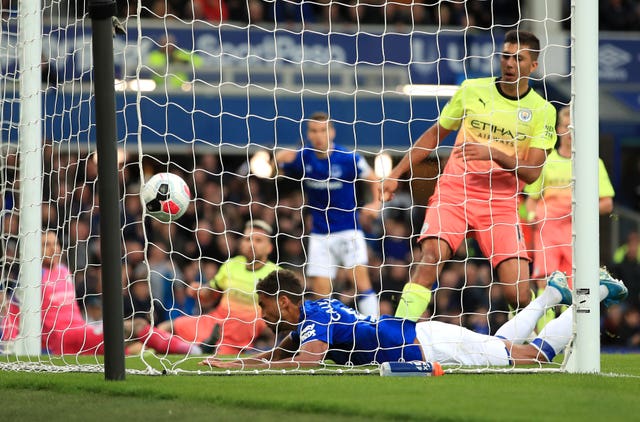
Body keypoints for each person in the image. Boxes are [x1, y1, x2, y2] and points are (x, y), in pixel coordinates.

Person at [381, 30, 557, 321]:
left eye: (518, 58)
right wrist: (397, 173)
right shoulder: (472, 90)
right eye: (505, 56)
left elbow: (532, 171)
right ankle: (396, 335)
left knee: (518, 293)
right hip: (455, 192)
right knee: (431, 256)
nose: (509, 63)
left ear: (533, 66)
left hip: (499, 203)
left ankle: (541, 338)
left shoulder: (542, 111)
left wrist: (495, 153)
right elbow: (435, 134)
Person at [200, 268, 628, 369]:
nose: (262, 314)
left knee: (532, 358)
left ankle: (591, 298)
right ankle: (552, 292)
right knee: (498, 344)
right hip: (418, 335)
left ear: (286, 302)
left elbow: (306, 359)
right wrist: (236, 362)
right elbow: (282, 351)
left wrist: (235, 363)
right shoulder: (314, 310)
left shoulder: (312, 321)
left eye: (266, 305)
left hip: (425, 345)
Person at [0, 231, 200, 355]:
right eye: (46, 244)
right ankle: (194, 350)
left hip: (82, 330)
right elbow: (13, 313)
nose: (54, 248)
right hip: (63, 341)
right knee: (137, 326)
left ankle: (188, 347)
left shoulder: (63, 271)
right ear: (34, 250)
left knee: (134, 337)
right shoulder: (31, 279)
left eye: (56, 243)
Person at [276, 111, 381, 317]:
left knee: (361, 283)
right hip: (320, 234)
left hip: (348, 230)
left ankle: (376, 330)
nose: (318, 135)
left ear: (331, 132)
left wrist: (375, 204)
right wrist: (277, 158)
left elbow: (375, 179)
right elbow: (275, 170)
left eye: (322, 130)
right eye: (313, 131)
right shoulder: (303, 158)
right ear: (308, 134)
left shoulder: (348, 158)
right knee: (321, 294)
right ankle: (326, 338)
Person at [158, 220, 278, 355]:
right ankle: (196, 349)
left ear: (269, 247)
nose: (251, 244)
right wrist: (199, 291)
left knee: (214, 357)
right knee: (164, 328)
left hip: (241, 332)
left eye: (258, 240)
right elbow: (210, 296)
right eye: (247, 239)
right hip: (216, 322)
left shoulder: (276, 273)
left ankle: (200, 348)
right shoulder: (231, 265)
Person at [524, 106, 615, 286]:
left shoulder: (593, 163)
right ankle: (547, 315)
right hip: (547, 231)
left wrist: (578, 212)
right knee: (546, 283)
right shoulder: (545, 162)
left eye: (574, 127)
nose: (569, 132)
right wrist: (533, 218)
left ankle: (569, 314)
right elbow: (531, 201)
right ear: (558, 129)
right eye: (566, 126)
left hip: (577, 233)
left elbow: (607, 204)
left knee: (575, 286)